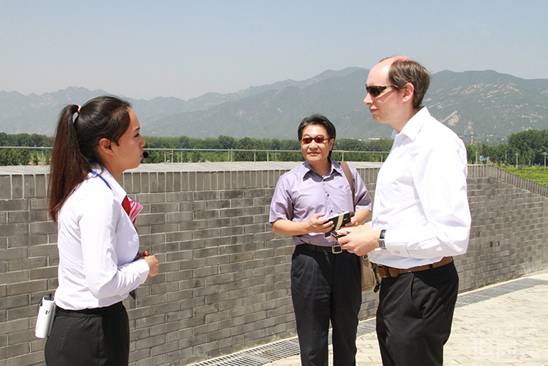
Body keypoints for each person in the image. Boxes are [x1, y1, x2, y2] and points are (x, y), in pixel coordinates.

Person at [337, 57, 471, 366]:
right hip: (401, 286)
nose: (366, 99)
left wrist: (377, 239)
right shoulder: (404, 141)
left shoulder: (435, 144)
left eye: (375, 90)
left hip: (418, 287)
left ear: (406, 91)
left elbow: (451, 236)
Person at [45, 96, 160, 366]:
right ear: (107, 145)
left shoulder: (90, 188)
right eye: (136, 134)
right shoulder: (98, 198)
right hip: (91, 335)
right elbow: (102, 283)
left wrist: (129, 262)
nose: (142, 141)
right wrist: (146, 267)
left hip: (86, 329)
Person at [269, 114, 372, 366]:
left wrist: (353, 221)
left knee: (347, 333)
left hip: (347, 257)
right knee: (312, 338)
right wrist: (307, 226)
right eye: (306, 140)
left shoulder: (348, 173)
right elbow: (277, 224)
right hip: (310, 261)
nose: (312, 145)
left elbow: (365, 205)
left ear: (331, 143)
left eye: (318, 139)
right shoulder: (289, 181)